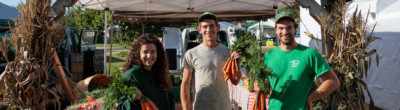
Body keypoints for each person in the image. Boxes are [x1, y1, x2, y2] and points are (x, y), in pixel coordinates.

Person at [263, 11, 340, 110]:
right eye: (281, 28)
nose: (285, 32)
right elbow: (267, 84)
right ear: (276, 30)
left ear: (295, 28)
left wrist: (311, 98)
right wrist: (260, 86)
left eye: (289, 27)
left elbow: (333, 81)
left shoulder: (309, 54)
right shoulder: (269, 56)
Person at [180, 12, 241, 110]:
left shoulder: (228, 52)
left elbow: (235, 81)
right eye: (205, 27)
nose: (208, 30)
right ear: (199, 29)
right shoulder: (191, 54)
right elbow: (185, 84)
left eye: (212, 26)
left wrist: (237, 64)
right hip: (201, 106)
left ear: (218, 27)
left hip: (223, 107)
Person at [118, 33, 175, 110]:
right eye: (145, 52)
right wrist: (134, 99)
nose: (149, 56)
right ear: (138, 53)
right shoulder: (130, 76)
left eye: (152, 52)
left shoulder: (162, 74)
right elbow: (121, 107)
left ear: (158, 53)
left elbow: (170, 100)